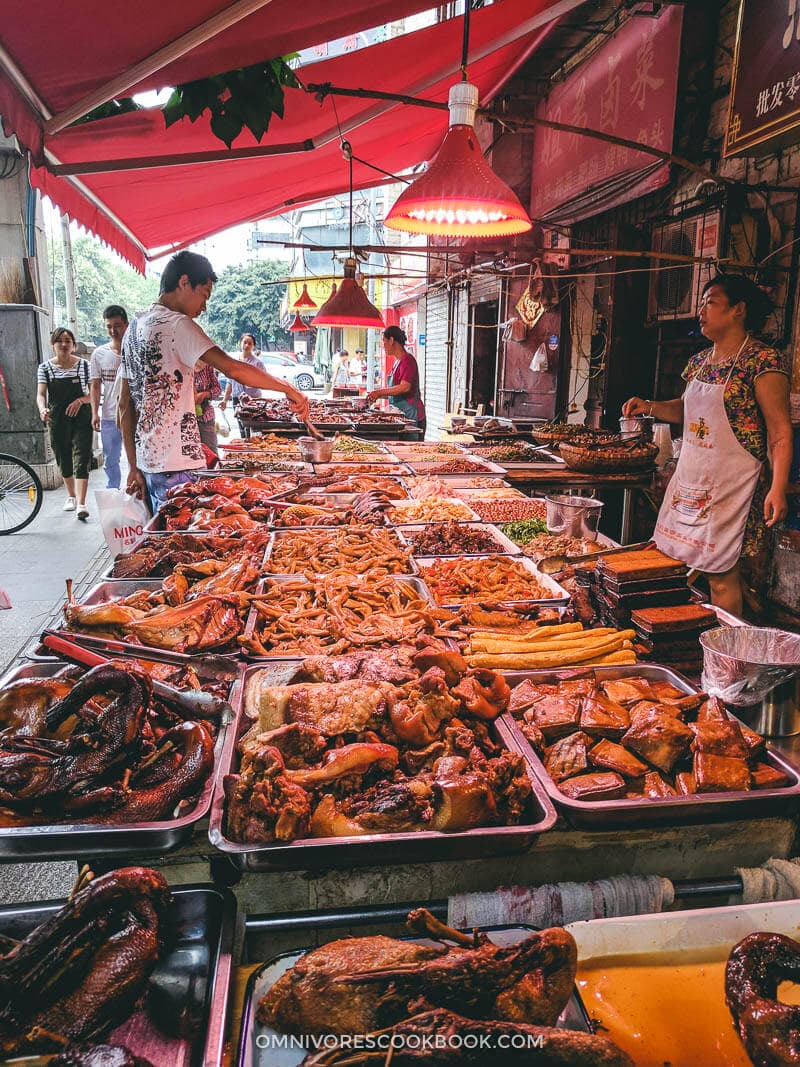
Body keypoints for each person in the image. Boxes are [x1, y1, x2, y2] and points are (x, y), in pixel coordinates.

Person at [623, 274, 792, 615]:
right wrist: (650, 406)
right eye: (700, 302)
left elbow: (780, 432)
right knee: (673, 559)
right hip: (692, 480)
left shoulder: (762, 362)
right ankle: (687, 637)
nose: (701, 310)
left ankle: (726, 661)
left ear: (738, 310)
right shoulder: (699, 362)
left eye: (710, 302)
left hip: (735, 485)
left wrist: (778, 487)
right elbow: (686, 410)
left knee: (721, 574)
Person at [118, 250, 309, 514]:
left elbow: (123, 406)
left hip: (148, 464)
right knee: (189, 546)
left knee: (166, 542)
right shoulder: (177, 324)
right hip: (178, 466)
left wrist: (132, 466)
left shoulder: (134, 329)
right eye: (204, 295)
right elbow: (233, 368)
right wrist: (288, 389)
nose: (204, 306)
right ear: (184, 282)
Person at [36, 326, 94, 519]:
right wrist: (42, 409)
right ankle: (71, 496)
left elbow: (93, 393)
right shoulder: (45, 368)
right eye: (60, 340)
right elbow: (41, 394)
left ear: (73, 345)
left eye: (68, 340)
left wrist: (80, 401)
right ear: (53, 344)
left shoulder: (84, 366)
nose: (64, 344)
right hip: (57, 417)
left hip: (81, 416)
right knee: (63, 456)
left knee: (82, 456)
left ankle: (82, 503)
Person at [89, 304, 127, 489]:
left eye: (117, 325)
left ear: (126, 325)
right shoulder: (99, 354)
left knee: (141, 459)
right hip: (110, 417)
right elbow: (95, 385)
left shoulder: (135, 351)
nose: (113, 330)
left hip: (133, 416)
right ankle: (114, 494)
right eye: (109, 326)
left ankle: (140, 499)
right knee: (111, 460)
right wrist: (94, 413)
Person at [367, 325, 426, 433]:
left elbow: (404, 387)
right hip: (400, 414)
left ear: (391, 340)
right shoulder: (397, 362)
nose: (383, 346)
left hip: (412, 414)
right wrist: (376, 394)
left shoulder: (408, 360)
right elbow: (396, 394)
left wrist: (379, 392)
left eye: (384, 342)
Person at [220, 333, 265, 411]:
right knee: (239, 422)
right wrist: (225, 400)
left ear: (253, 346)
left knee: (252, 422)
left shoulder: (258, 363)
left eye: (250, 343)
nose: (247, 345)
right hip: (236, 398)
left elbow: (264, 381)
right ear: (240, 343)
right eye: (245, 342)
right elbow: (230, 382)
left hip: (253, 399)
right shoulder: (234, 362)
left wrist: (252, 383)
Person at [193, 359, 222, 455]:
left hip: (205, 418)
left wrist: (205, 394)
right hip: (183, 421)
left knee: (211, 454)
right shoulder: (179, 366)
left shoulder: (207, 365)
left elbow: (217, 389)